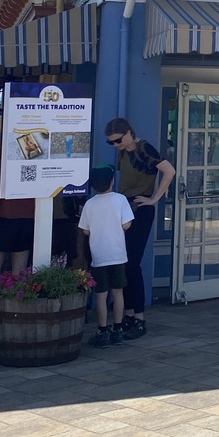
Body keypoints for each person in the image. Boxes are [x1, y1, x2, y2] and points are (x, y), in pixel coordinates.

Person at [104, 117, 175, 339]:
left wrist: (154, 198)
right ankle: (128, 313)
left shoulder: (144, 148)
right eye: (111, 143)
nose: (115, 145)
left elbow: (169, 171)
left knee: (132, 263)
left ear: (127, 133)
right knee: (122, 262)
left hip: (140, 208)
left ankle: (139, 318)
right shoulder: (123, 151)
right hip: (123, 207)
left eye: (117, 140)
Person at [76, 164, 134, 349]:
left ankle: (102, 330)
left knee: (100, 295)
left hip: (99, 256)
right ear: (112, 181)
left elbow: (85, 230)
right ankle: (118, 328)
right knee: (118, 293)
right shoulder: (120, 200)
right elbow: (127, 225)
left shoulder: (90, 204)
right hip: (118, 254)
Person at [0, 154, 34, 280]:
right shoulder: (32, 165)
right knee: (19, 275)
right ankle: (16, 299)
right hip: (27, 220)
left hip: (3, 220)